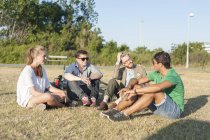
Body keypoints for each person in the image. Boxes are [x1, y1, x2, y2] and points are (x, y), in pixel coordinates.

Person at [101, 51, 184, 121]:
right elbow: (136, 80)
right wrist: (129, 87)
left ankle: (125, 114)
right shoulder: (156, 73)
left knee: (153, 91)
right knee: (137, 86)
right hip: (159, 108)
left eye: (154, 63)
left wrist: (135, 91)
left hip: (174, 111)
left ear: (161, 64)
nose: (152, 66)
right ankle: (115, 110)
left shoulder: (173, 76)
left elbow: (158, 87)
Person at [17, 45, 66, 110]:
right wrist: (52, 95)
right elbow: (33, 92)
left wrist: (61, 92)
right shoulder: (27, 71)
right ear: (36, 57)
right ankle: (62, 106)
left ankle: (42, 105)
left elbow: (49, 87)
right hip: (29, 100)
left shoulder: (42, 69)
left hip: (41, 96)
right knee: (49, 96)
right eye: (44, 56)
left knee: (63, 94)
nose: (45, 58)